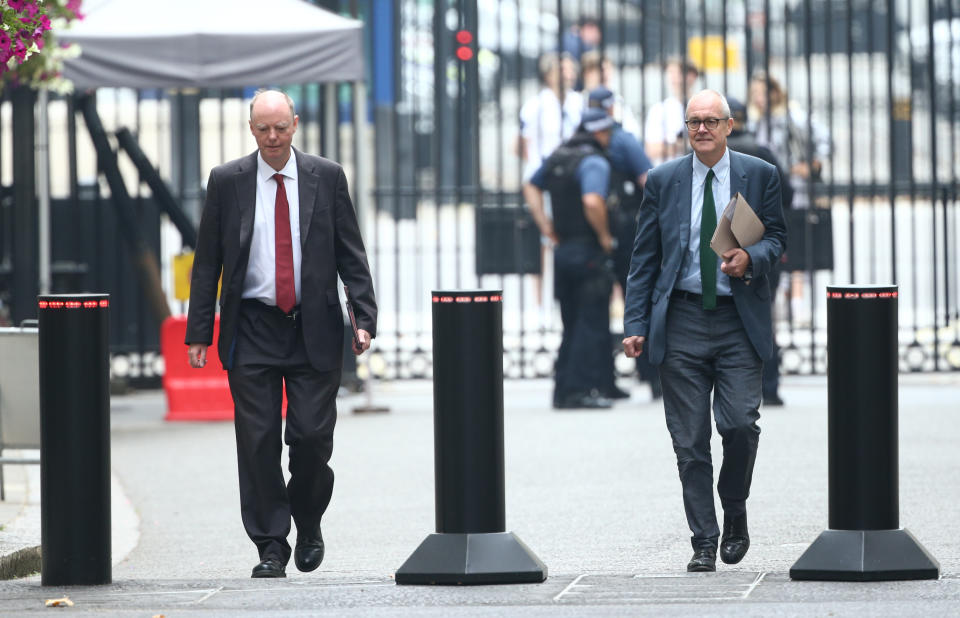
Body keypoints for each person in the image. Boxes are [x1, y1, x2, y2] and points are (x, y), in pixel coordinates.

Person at [185, 89, 378, 579]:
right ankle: (271, 543)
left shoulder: (327, 177)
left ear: (295, 125)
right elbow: (208, 261)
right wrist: (199, 331)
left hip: (312, 325)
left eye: (281, 128)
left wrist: (364, 317)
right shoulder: (227, 181)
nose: (272, 137)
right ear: (251, 128)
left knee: (311, 438)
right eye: (263, 129)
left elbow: (349, 252)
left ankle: (308, 519)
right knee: (257, 440)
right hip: (252, 327)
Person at [622, 90, 786, 572]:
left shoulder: (759, 175)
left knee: (739, 425)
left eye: (711, 121)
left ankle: (734, 509)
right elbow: (644, 259)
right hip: (683, 320)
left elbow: (776, 237)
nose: (701, 130)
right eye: (693, 122)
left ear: (729, 126)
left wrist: (750, 258)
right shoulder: (664, 179)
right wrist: (635, 324)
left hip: (738, 318)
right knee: (688, 440)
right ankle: (704, 539)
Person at [523, 108, 617, 409]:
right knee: (589, 321)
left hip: (564, 251)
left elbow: (531, 185)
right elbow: (592, 201)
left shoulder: (558, 156)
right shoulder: (593, 162)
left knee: (571, 321)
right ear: (600, 133)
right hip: (588, 250)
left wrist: (546, 225)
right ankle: (579, 390)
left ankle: (564, 388)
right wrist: (604, 236)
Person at [587, 86, 658, 400]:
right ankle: (652, 375)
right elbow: (649, 180)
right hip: (626, 228)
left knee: (602, 303)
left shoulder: (584, 142)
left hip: (600, 232)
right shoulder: (623, 140)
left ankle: (604, 378)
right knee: (638, 296)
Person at [747, 72, 831, 324]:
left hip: (796, 189)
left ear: (775, 92)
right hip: (768, 191)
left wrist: (811, 166)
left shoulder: (793, 117)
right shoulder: (758, 121)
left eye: (762, 93)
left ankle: (797, 302)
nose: (758, 98)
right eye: (755, 94)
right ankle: (782, 302)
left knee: (796, 246)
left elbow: (824, 140)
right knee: (775, 244)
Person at [726, 96, 794, 407]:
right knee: (762, 316)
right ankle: (770, 385)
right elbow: (788, 193)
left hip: (721, 249)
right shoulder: (762, 152)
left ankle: (735, 386)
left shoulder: (710, 155)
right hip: (760, 248)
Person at [644, 58, 700, 165]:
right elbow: (651, 150)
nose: (673, 78)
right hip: (669, 173)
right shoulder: (659, 109)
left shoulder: (704, 107)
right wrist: (681, 144)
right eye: (670, 73)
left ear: (692, 76)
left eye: (678, 73)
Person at [581, 51, 642, 138]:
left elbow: (633, 132)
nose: (606, 74)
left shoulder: (618, 101)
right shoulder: (578, 100)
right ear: (587, 73)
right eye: (601, 69)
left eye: (609, 68)